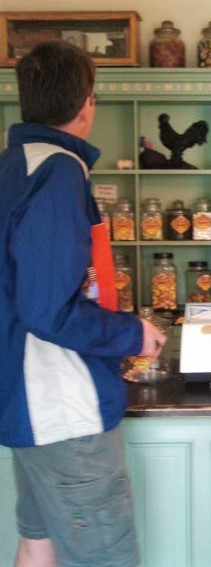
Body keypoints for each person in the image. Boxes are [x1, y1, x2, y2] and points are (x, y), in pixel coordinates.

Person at [0, 40, 166, 567]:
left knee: (38, 542)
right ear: (87, 103)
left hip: (27, 401)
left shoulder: (13, 166)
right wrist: (132, 333)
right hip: (61, 405)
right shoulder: (58, 171)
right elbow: (48, 307)